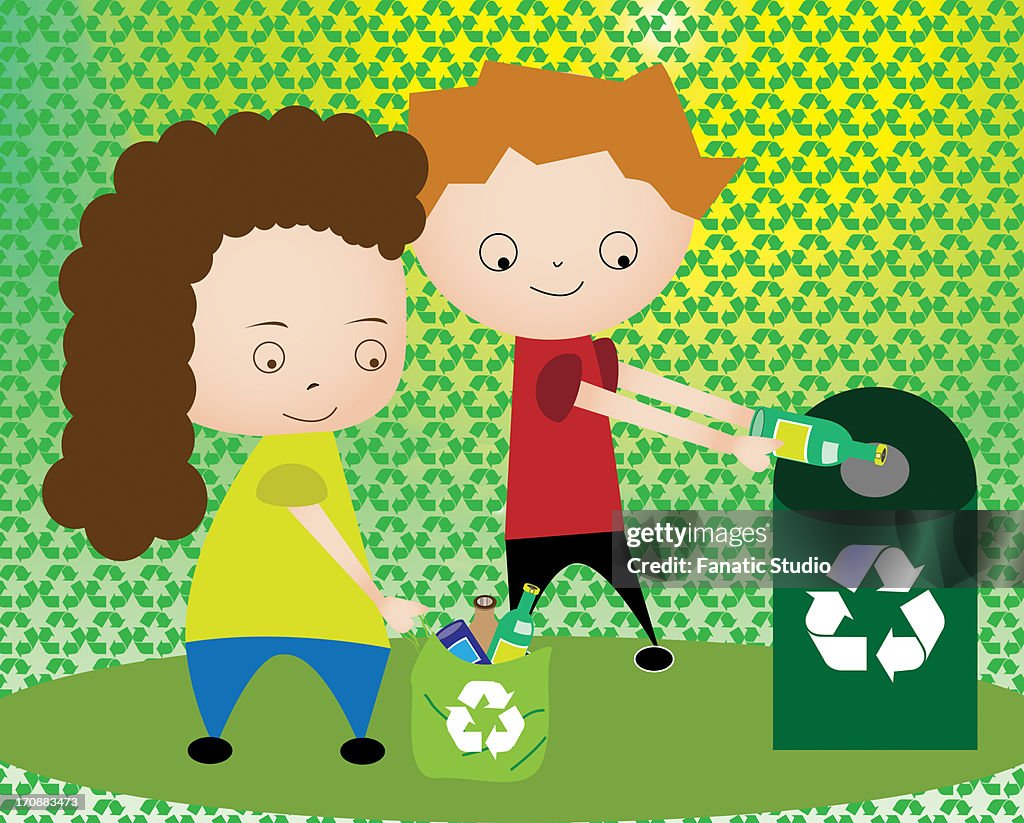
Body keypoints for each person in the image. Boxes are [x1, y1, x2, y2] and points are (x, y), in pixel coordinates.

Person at [42, 107, 428, 764]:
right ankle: (300, 733)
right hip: (292, 598)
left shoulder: (306, 448)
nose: (318, 386)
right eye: (270, 357)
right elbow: (318, 528)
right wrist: (377, 595)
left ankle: (254, 729)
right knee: (322, 648)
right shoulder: (294, 462)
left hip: (249, 597)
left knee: (256, 646)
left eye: (368, 348)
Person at [409, 63, 780, 673]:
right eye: (502, 253)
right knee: (528, 597)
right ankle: (505, 652)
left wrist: (742, 416)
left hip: (593, 504)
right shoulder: (541, 353)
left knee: (617, 585)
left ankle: (640, 642)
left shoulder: (581, 340)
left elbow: (629, 381)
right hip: (541, 512)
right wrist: (724, 440)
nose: (558, 270)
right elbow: (607, 403)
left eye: (618, 250)